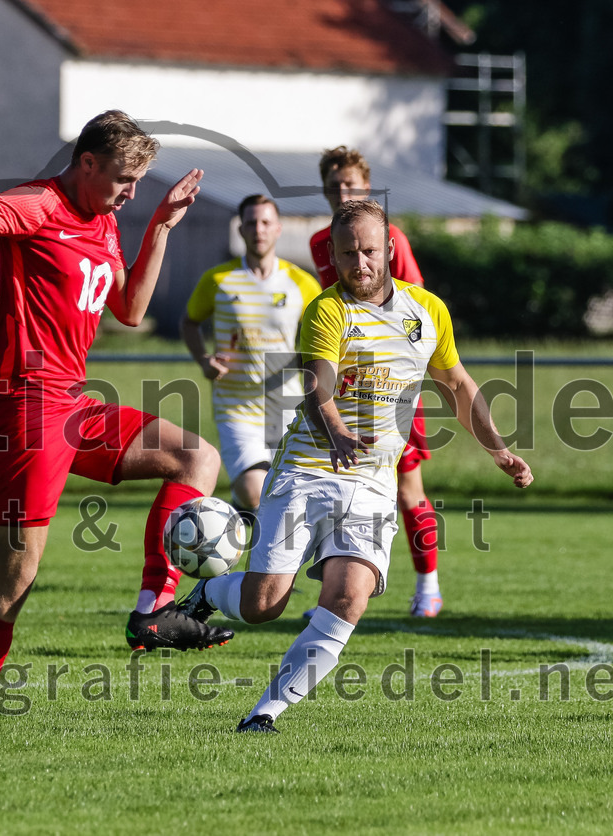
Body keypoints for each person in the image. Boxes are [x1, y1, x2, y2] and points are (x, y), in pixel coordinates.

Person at [0, 110, 232, 758]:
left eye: (138, 183)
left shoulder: (105, 220)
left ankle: (153, 613)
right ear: (87, 163)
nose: (131, 192)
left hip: (68, 402)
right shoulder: (39, 204)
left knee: (195, 457)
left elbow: (128, 309)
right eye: (123, 179)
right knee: (14, 579)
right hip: (20, 405)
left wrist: (159, 227)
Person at [180, 199, 533, 733]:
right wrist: (339, 432)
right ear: (334, 255)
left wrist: (498, 449)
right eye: (347, 254)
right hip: (307, 469)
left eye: (369, 251)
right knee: (264, 604)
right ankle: (207, 593)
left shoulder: (427, 311)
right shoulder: (327, 309)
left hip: (372, 483)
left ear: (388, 249)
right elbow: (316, 386)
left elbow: (458, 385)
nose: (359, 263)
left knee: (348, 598)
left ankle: (263, 715)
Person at [309, 146, 443, 617]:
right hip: (344, 391)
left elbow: (417, 307)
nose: (342, 192)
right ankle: (333, 595)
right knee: (332, 489)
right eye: (334, 186)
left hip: (391, 389)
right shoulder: (319, 242)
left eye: (350, 185)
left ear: (366, 187)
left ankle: (428, 586)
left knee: (408, 490)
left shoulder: (392, 239)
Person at [181, 195, 320, 527]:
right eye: (251, 223)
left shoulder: (302, 283)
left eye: (266, 222)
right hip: (236, 406)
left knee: (287, 497)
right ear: (241, 229)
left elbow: (322, 334)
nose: (259, 229)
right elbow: (189, 322)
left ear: (278, 229)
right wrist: (204, 360)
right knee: (255, 490)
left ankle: (264, 554)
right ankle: (241, 502)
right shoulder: (218, 280)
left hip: (285, 406)